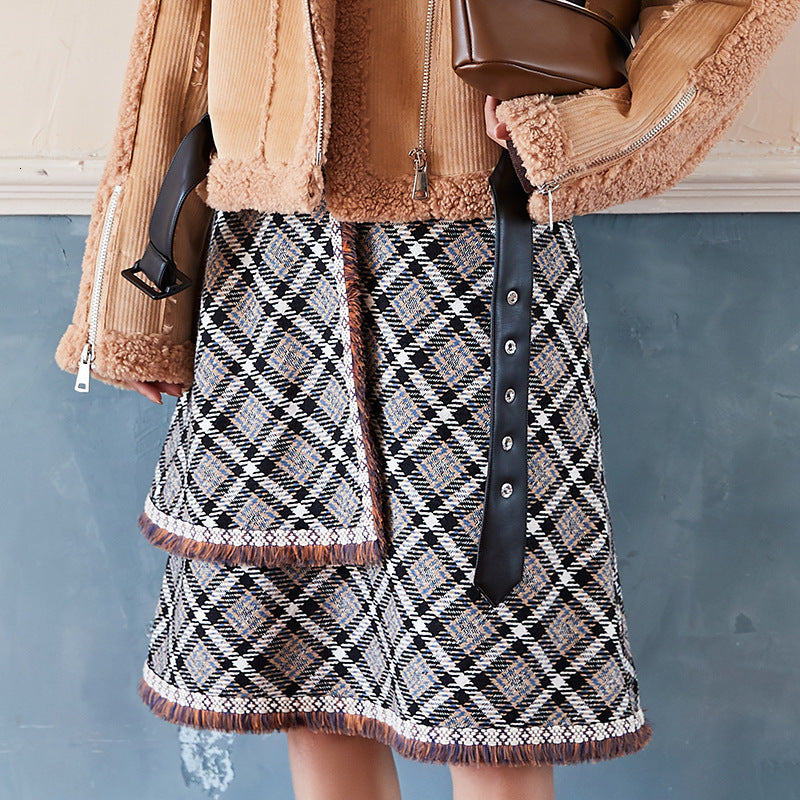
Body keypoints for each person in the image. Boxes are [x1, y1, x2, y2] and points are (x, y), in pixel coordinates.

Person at [55, 1, 799, 798]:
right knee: (308, 676)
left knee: (496, 689)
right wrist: (137, 301)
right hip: (268, 256)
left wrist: (586, 132)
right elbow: (180, 38)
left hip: (476, 246)